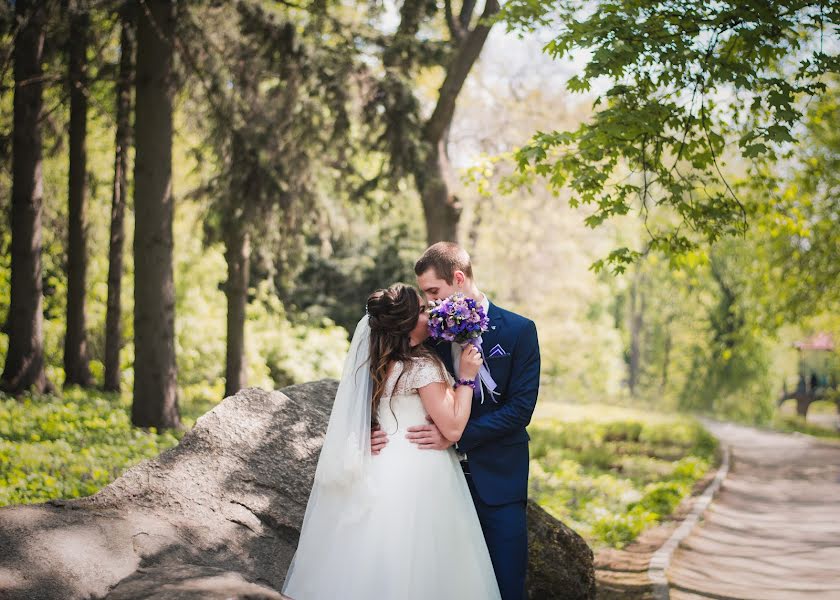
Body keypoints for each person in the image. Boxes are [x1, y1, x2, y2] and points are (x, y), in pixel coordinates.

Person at [282, 283, 502, 600]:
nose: (431, 313)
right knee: (422, 560)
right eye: (424, 311)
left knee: (375, 554)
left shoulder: (378, 363)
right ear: (408, 323)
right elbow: (453, 428)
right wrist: (467, 377)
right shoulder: (422, 366)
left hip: (380, 467)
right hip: (419, 470)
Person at [372, 242, 541, 600]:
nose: (430, 302)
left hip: (499, 481)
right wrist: (372, 430)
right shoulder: (424, 332)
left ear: (459, 279)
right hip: (434, 484)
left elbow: (520, 410)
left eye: (434, 291)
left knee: (507, 584)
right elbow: (389, 378)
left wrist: (457, 437)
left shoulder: (519, 331)